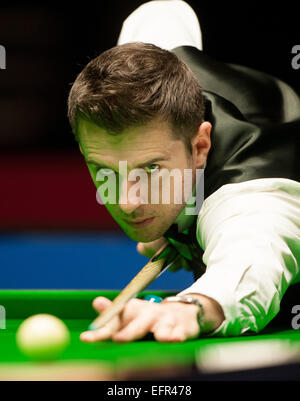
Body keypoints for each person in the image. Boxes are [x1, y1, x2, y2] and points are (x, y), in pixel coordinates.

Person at [67, 0, 300, 342]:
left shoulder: (251, 196)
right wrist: (179, 222)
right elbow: (162, 13)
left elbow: (251, 259)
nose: (128, 203)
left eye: (150, 169)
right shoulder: (157, 73)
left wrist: (192, 306)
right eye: (105, 171)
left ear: (200, 147)